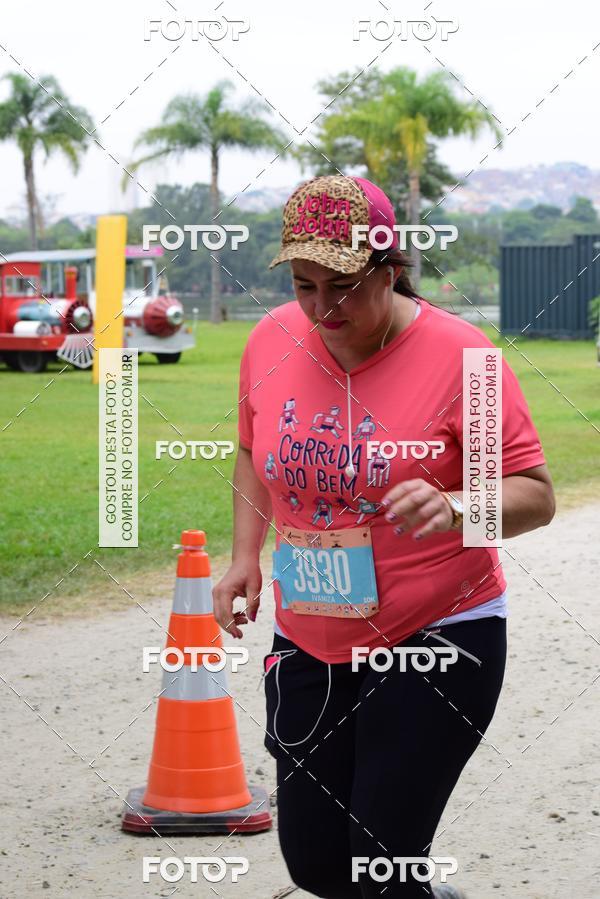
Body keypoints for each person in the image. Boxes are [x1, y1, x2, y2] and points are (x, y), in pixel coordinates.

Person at [213, 174, 555, 898]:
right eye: (304, 285)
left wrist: (457, 506)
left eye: (343, 286)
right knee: (316, 865)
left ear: (390, 268)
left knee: (382, 862)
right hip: (309, 633)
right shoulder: (271, 339)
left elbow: (535, 497)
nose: (322, 308)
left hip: (436, 632)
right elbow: (250, 450)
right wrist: (245, 555)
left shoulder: (465, 357)